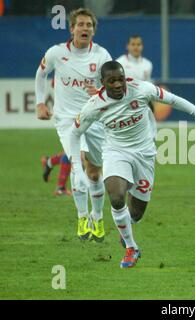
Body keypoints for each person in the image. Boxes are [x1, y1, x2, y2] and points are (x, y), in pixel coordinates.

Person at [67, 61, 195, 268]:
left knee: (137, 213)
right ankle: (131, 248)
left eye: (120, 79)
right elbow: (74, 133)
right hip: (115, 152)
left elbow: (173, 100)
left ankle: (127, 229)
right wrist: (77, 168)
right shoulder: (94, 105)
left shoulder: (141, 89)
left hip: (145, 154)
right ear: (102, 83)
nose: (117, 85)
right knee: (116, 195)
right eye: (111, 81)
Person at [35, 8, 112, 242]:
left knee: (95, 173)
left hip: (95, 119)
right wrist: (40, 103)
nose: (85, 28)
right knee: (78, 164)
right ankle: (81, 218)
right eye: (81, 24)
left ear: (94, 31)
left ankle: (97, 217)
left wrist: (100, 90)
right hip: (67, 120)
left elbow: (116, 86)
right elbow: (40, 75)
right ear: (72, 29)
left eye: (89, 25)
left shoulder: (102, 55)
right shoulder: (57, 53)